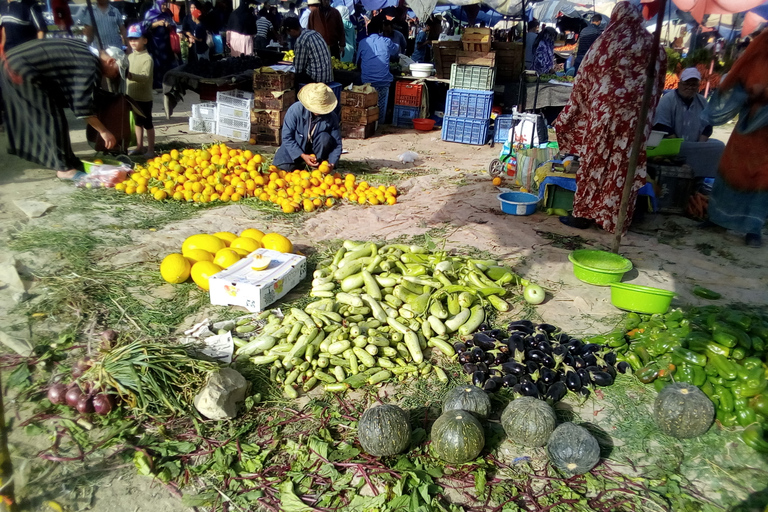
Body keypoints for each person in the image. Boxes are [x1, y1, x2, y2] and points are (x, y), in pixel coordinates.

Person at [553, 2, 666, 234]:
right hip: (636, 120)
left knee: (595, 162)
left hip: (605, 116)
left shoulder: (606, 42)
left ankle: (584, 214)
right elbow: (659, 83)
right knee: (625, 166)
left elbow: (584, 76)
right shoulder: (653, 45)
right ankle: (617, 218)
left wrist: (575, 110)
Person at [0, 38, 122, 179]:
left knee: (55, 114)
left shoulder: (87, 51)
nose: (114, 77)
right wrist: (104, 131)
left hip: (11, 61)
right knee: (51, 117)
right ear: (111, 61)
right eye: (116, 72)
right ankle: (64, 169)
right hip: (19, 68)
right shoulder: (91, 65)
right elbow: (82, 106)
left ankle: (68, 160)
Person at [703, 29, 768, 247]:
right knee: (730, 172)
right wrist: (752, 93)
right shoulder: (755, 59)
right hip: (745, 131)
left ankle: (753, 229)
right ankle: (717, 218)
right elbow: (735, 85)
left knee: (761, 180)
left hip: (766, 139)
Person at [653, 67, 725, 177]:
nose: (690, 87)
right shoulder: (667, 100)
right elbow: (661, 126)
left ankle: (701, 178)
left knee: (719, 146)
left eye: (693, 85)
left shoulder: (702, 102)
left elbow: (707, 126)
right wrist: (677, 145)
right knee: (679, 150)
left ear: (698, 86)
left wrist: (700, 146)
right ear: (680, 84)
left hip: (694, 144)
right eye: (687, 84)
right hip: (671, 144)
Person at [272, 82, 342, 172]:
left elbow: (337, 143)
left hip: (317, 151)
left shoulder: (331, 117)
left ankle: (317, 163)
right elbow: (287, 137)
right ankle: (299, 162)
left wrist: (332, 162)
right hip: (296, 147)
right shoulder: (295, 111)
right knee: (284, 170)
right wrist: (302, 155)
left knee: (325, 137)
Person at [357, 17, 399, 124]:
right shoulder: (387, 41)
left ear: (367, 31)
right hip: (383, 81)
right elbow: (395, 51)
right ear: (380, 30)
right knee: (383, 101)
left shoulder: (362, 42)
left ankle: (369, 122)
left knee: (368, 104)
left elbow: (357, 61)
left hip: (367, 82)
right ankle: (382, 121)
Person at [125, 24, 155, 157]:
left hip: (144, 97)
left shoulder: (147, 58)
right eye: (130, 39)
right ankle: (139, 147)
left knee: (148, 123)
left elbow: (144, 77)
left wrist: (131, 76)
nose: (133, 42)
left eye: (136, 39)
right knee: (137, 122)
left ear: (145, 40)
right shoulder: (129, 57)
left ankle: (151, 150)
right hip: (132, 96)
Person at [283, 16, 332, 86]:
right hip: (328, 76)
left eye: (288, 33)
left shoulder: (301, 41)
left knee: (293, 79)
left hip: (316, 79)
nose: (289, 35)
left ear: (292, 31)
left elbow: (298, 68)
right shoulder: (314, 33)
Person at [143, 0, 177, 89]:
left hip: (167, 45)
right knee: (157, 66)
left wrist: (169, 25)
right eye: (163, 4)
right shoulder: (150, 13)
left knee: (168, 65)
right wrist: (156, 24)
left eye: (166, 4)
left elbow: (174, 26)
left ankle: (167, 85)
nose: (165, 6)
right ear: (158, 4)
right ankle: (157, 86)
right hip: (155, 46)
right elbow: (145, 27)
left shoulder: (167, 14)